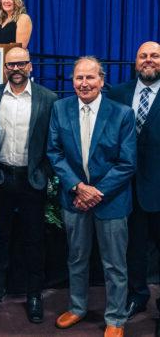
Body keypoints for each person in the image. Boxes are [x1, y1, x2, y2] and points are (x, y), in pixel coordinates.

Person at [48, 57, 137, 337]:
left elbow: (127, 162)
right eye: (78, 78)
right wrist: (77, 186)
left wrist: (94, 192)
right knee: (76, 258)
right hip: (74, 199)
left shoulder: (121, 113)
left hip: (111, 200)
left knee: (114, 264)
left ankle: (116, 318)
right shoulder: (60, 109)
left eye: (90, 77)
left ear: (101, 80)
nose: (84, 83)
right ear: (72, 81)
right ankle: (77, 307)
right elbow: (54, 152)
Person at [0, 47, 57, 323]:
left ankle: (34, 294)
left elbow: (54, 141)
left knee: (34, 240)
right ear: (4, 68)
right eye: (11, 64)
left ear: (30, 66)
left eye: (21, 63)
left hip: (31, 179)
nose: (16, 68)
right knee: (0, 238)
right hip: (0, 177)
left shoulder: (48, 98)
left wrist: (44, 172)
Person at [107, 41, 160, 327]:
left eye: (154, 56)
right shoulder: (118, 93)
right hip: (127, 190)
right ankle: (136, 295)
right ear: (135, 61)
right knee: (133, 250)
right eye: (143, 56)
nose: (148, 60)